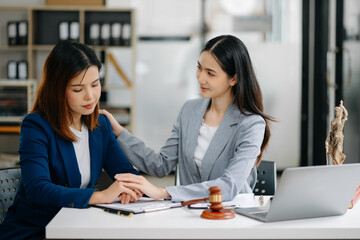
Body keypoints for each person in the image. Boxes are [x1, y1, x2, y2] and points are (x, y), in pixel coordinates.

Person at [101, 35, 273, 202]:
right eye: (199, 68)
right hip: (189, 213)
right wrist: (119, 132)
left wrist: (163, 192)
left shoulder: (251, 124)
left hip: (232, 215)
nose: (200, 78)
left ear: (233, 79)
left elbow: (228, 186)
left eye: (210, 73)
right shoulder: (190, 110)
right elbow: (161, 164)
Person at [0, 40, 142, 240]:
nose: (90, 96)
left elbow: (125, 173)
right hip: (36, 231)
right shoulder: (36, 126)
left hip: (77, 227)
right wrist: (99, 196)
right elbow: (38, 189)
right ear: (58, 90)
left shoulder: (101, 125)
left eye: (95, 84)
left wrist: (130, 188)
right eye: (78, 89)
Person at [325, 100, 348, 165]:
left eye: (337, 111)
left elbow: (346, 114)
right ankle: (336, 165)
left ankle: (339, 165)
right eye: (336, 111)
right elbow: (331, 131)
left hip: (339, 138)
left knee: (336, 153)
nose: (336, 112)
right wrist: (326, 141)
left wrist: (343, 107)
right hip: (333, 138)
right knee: (332, 154)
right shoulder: (333, 121)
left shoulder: (341, 120)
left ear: (340, 112)